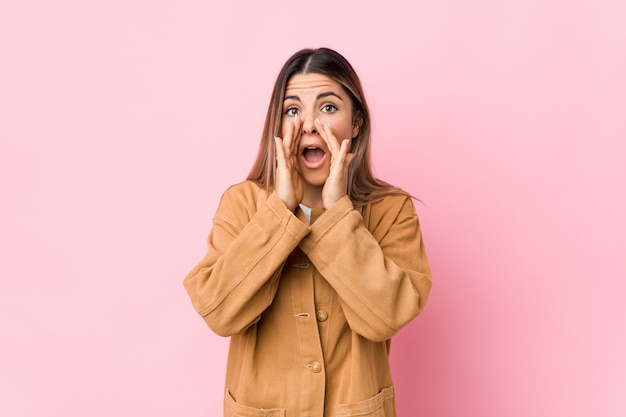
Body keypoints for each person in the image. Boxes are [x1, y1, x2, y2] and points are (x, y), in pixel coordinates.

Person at [183, 47, 432, 417]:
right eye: (293, 110)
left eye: (328, 107)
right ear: (277, 125)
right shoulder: (241, 203)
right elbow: (219, 312)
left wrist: (338, 213)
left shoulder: (391, 210)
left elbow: (386, 316)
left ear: (356, 123)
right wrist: (279, 210)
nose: (310, 124)